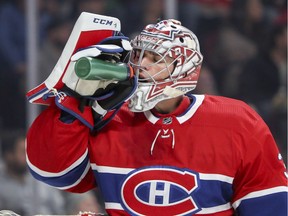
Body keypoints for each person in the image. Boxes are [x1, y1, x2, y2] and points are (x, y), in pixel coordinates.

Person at [25, 17, 287, 215]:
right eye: (137, 55)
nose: (140, 66)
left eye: (154, 58)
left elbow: (270, 206)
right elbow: (53, 173)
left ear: (184, 68)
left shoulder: (237, 121)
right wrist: (76, 104)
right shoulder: (108, 115)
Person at [0, 133, 66, 215]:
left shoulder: (41, 177)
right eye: (23, 152)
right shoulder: (2, 183)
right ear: (9, 155)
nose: (28, 157)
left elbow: (59, 209)